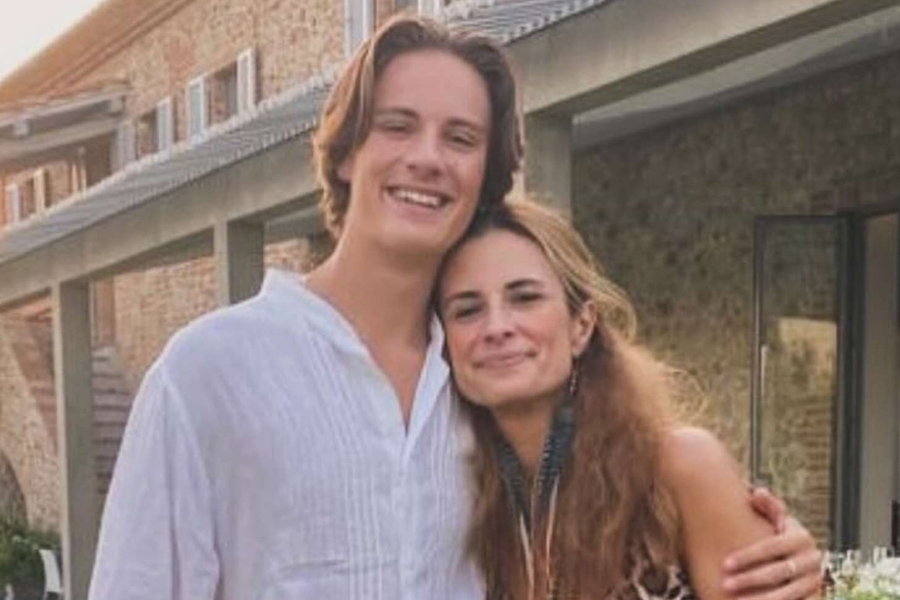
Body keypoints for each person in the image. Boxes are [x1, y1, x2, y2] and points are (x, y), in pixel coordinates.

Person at [89, 15, 820, 600]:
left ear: (485, 175)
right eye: (397, 125)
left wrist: (798, 567)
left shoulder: (480, 392)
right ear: (344, 153)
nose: (428, 157)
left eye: (461, 137)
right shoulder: (208, 374)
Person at [437, 198, 825, 600]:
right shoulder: (459, 501)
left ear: (581, 325)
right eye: (467, 310)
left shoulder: (678, 468)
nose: (497, 327)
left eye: (525, 298)